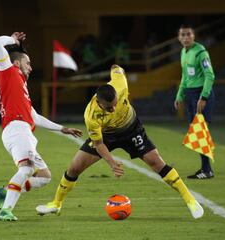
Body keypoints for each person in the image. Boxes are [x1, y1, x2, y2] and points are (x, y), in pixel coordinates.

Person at [36, 64, 204, 219]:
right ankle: (56, 204)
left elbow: (116, 68)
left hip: (131, 129)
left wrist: (117, 69)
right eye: (109, 107)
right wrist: (112, 163)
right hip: (106, 136)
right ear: (98, 102)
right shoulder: (91, 115)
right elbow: (99, 143)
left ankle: (190, 200)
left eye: (115, 104)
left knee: (156, 162)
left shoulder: (120, 83)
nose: (113, 109)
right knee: (74, 168)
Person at [0, 32, 82, 221]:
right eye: (28, 63)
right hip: (16, 129)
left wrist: (62, 128)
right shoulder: (7, 72)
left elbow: (35, 117)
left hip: (22, 131)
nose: (31, 68)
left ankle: (5, 193)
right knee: (26, 169)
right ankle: (5, 210)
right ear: (16, 63)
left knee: (44, 176)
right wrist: (13, 41)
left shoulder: (20, 86)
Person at [174, 24, 216, 179]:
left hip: (201, 94)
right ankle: (205, 169)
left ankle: (207, 170)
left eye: (188, 34)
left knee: (200, 132)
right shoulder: (184, 52)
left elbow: (210, 75)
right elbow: (185, 76)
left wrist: (203, 97)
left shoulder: (201, 52)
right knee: (197, 132)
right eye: (182, 35)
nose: (185, 37)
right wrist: (179, 95)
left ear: (194, 36)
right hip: (191, 95)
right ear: (179, 38)